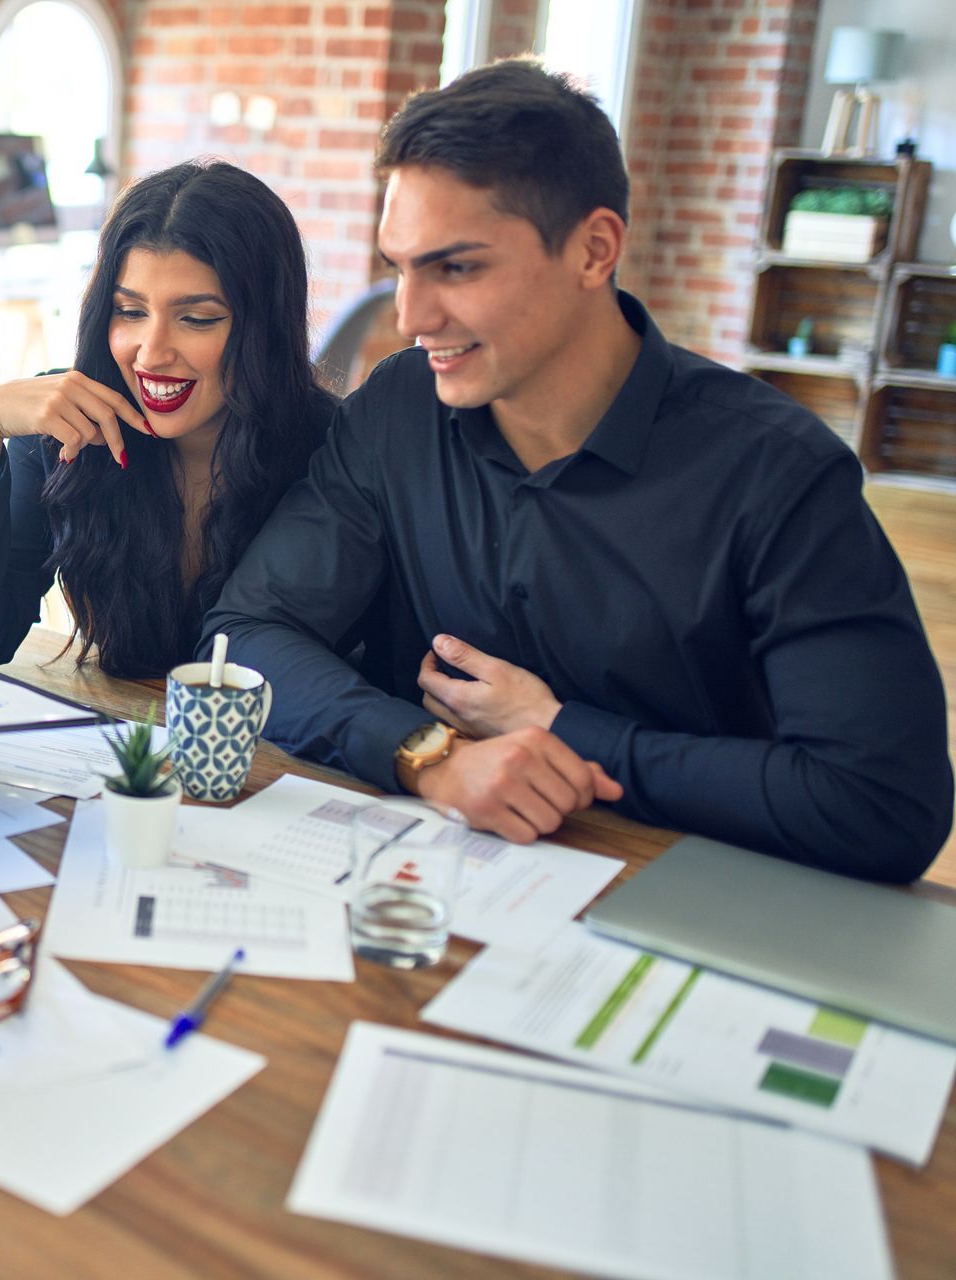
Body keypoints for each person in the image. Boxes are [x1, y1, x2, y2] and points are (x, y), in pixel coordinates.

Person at [202, 60, 952, 882]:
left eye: (456, 267)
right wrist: (429, 753)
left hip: (700, 906)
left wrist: (563, 728)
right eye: (400, 266)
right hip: (431, 883)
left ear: (595, 250)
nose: (412, 315)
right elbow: (247, 637)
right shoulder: (398, 411)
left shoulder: (780, 474)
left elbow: (883, 806)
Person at [0, 159, 340, 677]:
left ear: (264, 329)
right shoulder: (65, 431)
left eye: (196, 318)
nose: (151, 352)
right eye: (130, 311)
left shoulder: (334, 453)